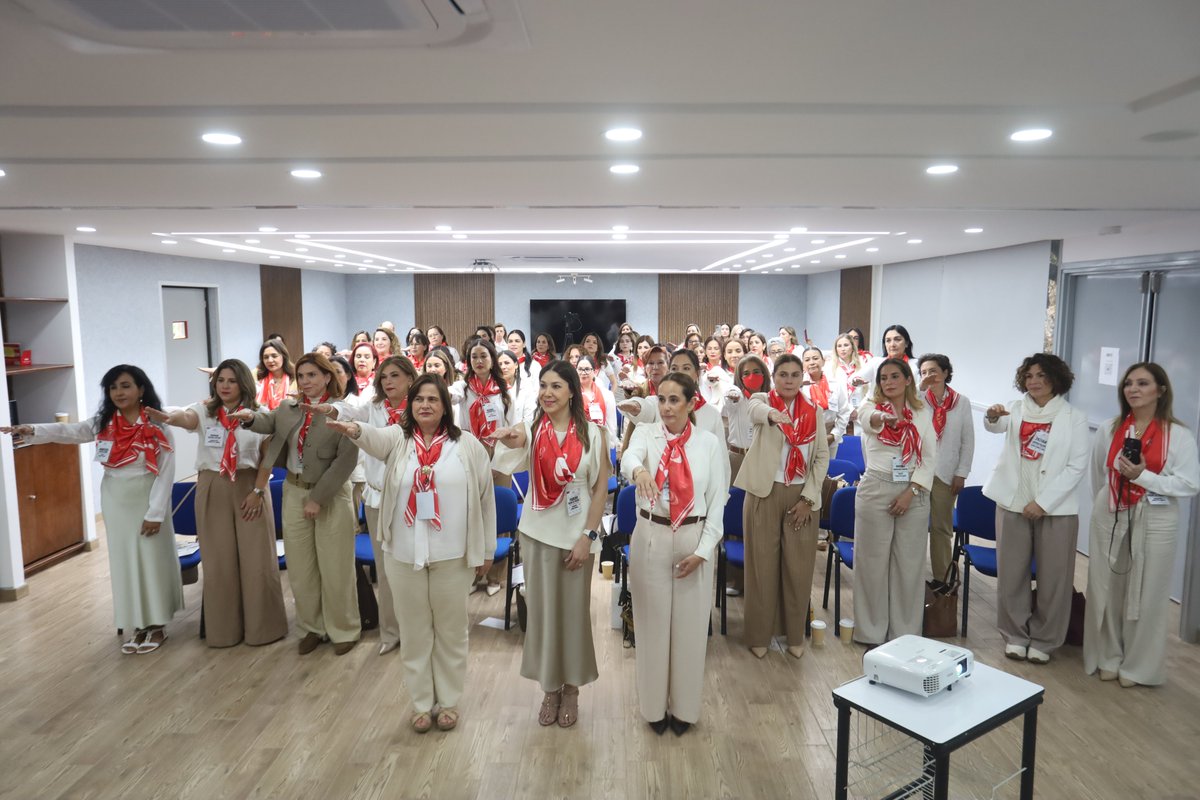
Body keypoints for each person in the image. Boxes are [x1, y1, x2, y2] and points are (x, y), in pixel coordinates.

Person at [330, 374, 496, 732]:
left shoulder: (467, 445)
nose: (424, 405)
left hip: (453, 555)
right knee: (415, 631)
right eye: (418, 399)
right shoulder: (398, 439)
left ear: (445, 406)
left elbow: (485, 500)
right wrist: (354, 429)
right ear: (410, 404)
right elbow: (372, 438)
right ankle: (422, 703)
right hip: (404, 554)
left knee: (451, 631)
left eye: (432, 400)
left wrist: (486, 549)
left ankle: (449, 701)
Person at [2, 365, 182, 653]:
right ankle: (136, 624)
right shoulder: (104, 423)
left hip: (148, 498)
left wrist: (156, 513)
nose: (118, 393)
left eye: (125, 386)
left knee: (151, 560)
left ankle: (157, 625)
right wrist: (32, 429)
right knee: (125, 563)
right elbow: (71, 431)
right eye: (113, 388)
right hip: (115, 498)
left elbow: (166, 471)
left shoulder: (157, 425)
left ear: (141, 390)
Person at [492, 361, 611, 729]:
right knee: (543, 616)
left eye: (556, 386)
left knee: (573, 616)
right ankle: (549, 690)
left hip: (577, 537)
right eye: (543, 385)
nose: (548, 393)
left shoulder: (594, 433)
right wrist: (512, 439)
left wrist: (587, 537)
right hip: (537, 534)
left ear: (572, 391)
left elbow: (599, 490)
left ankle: (572, 690)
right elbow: (511, 454)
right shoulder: (532, 429)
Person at [145, 359, 287, 647]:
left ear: (244, 384)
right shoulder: (205, 411)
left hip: (250, 486)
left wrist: (258, 492)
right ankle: (224, 632)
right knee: (219, 561)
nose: (224, 386)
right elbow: (185, 418)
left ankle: (264, 629)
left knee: (256, 559)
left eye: (231, 381)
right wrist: (168, 417)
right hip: (213, 485)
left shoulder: (259, 415)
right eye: (220, 380)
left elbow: (266, 459)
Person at [621, 371, 728, 735]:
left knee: (690, 628)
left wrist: (704, 550)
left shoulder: (709, 444)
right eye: (661, 399)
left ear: (691, 403)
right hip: (652, 533)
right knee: (651, 626)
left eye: (674, 400)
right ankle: (653, 710)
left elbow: (718, 502)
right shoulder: (646, 435)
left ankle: (684, 710)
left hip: (693, 538)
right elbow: (629, 458)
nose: (666, 407)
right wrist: (638, 471)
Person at [234, 352, 361, 655]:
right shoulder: (289, 408)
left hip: (329, 493)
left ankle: (344, 629)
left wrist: (318, 498)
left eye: (312, 375)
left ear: (327, 377)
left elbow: (346, 461)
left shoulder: (341, 412)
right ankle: (311, 627)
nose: (305, 382)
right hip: (293, 490)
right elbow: (268, 421)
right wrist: (251, 418)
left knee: (335, 566)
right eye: (301, 376)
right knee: (301, 567)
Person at [1084, 363, 1199, 687]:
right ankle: (1107, 656)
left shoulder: (1179, 435)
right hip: (1111, 511)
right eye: (1128, 384)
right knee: (1106, 586)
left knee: (1148, 592)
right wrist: (1109, 503)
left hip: (1158, 517)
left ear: (1161, 390)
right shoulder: (1110, 428)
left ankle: (1136, 666)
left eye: (1143, 383)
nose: (1133, 389)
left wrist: (1143, 477)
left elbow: (1190, 484)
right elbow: (1099, 474)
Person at [982, 353, 1089, 664]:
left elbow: (1076, 466)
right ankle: (1014, 634)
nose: (1034, 381)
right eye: (1029, 376)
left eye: (1041, 375)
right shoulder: (1015, 409)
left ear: (1056, 379)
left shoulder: (1073, 417)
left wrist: (1042, 503)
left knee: (1054, 578)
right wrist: (990, 416)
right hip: (1012, 503)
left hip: (1055, 510)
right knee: (1012, 574)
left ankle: (1045, 638)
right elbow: (995, 425)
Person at [310, 355, 420, 656]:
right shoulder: (373, 407)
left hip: (416, 498)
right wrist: (332, 407)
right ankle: (391, 631)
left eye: (395, 375)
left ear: (410, 378)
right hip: (378, 498)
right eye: (383, 377)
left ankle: (419, 630)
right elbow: (349, 407)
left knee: (416, 565)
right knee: (385, 570)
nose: (388, 382)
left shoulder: (421, 406)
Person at [732, 354, 830, 658]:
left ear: (803, 378)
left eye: (794, 375)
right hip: (763, 493)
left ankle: (795, 636)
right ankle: (759, 635)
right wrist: (774, 415)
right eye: (783, 374)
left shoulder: (814, 411)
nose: (788, 380)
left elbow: (821, 458)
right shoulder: (762, 400)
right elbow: (755, 410)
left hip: (801, 496)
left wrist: (808, 499)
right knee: (761, 567)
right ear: (773, 377)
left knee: (798, 569)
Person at [852, 357, 937, 645]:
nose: (888, 383)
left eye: (894, 377)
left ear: (908, 380)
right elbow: (866, 418)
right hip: (875, 488)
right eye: (883, 378)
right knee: (871, 564)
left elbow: (928, 458)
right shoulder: (870, 405)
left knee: (909, 566)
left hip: (913, 491)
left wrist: (910, 491)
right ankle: (871, 632)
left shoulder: (923, 412)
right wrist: (883, 418)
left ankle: (905, 635)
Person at [917, 353, 975, 584]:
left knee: (941, 528)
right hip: (918, 473)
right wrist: (919, 389)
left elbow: (967, 440)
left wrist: (962, 472)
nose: (929, 376)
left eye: (933, 371)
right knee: (913, 527)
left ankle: (941, 579)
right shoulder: (918, 399)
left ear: (945, 373)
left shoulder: (962, 402)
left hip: (946, 473)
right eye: (923, 372)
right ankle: (910, 576)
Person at [800, 345, 850, 458]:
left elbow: (844, 412)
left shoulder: (835, 384)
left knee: (827, 471)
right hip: (806, 437)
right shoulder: (799, 386)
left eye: (815, 358)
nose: (812, 362)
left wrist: (834, 435)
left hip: (829, 436)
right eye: (807, 360)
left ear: (823, 361)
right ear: (803, 364)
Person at [576, 355, 617, 444]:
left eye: (587, 369)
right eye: (580, 369)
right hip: (576, 442)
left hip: (600, 443)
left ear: (594, 372)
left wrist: (611, 445)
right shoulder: (571, 394)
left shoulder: (607, 395)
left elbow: (611, 425)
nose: (583, 372)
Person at [498, 349, 538, 423]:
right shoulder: (492, 389)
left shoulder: (526, 386)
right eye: (500, 364)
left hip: (519, 432)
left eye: (507, 363)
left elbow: (529, 416)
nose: (503, 367)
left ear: (516, 365)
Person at [255, 338, 295, 411]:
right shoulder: (257, 378)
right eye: (266, 357)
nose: (270, 360)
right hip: (264, 420)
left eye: (274, 356)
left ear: (283, 356)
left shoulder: (295, 378)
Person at [699, 336, 732, 411]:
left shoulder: (727, 368)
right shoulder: (701, 369)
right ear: (705, 351)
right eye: (709, 349)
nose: (712, 351)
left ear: (721, 351)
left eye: (716, 349)